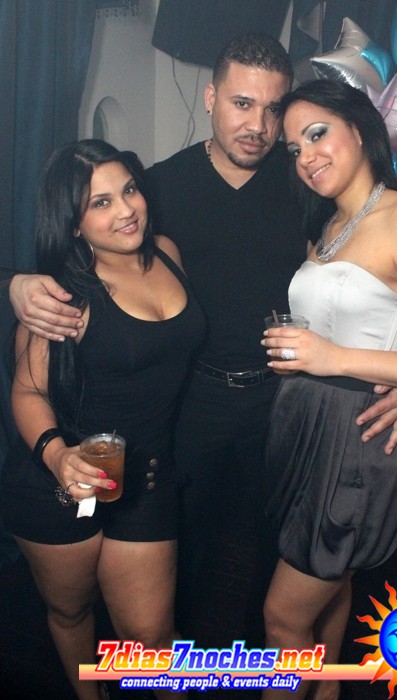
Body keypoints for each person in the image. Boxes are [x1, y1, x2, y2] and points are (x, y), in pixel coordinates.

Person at [7, 34, 397, 646]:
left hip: (283, 398)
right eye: (241, 104)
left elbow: (380, 276)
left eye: (273, 109)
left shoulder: (305, 181)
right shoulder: (156, 188)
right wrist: (15, 284)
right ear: (210, 98)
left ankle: (271, 665)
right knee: (182, 553)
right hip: (191, 404)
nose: (258, 125)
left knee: (283, 549)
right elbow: (76, 249)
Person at [259, 79, 397, 700]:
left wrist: (334, 358)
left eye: (317, 134)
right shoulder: (329, 225)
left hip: (356, 433)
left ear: (357, 128)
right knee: (332, 585)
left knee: (282, 617)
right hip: (305, 421)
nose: (306, 156)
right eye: (294, 148)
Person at [0, 139, 205, 700]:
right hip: (61, 484)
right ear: (73, 224)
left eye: (129, 190)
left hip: (147, 477)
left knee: (151, 636)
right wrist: (58, 456)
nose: (127, 210)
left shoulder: (167, 252)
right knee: (72, 612)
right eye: (101, 203)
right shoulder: (64, 295)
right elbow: (28, 392)